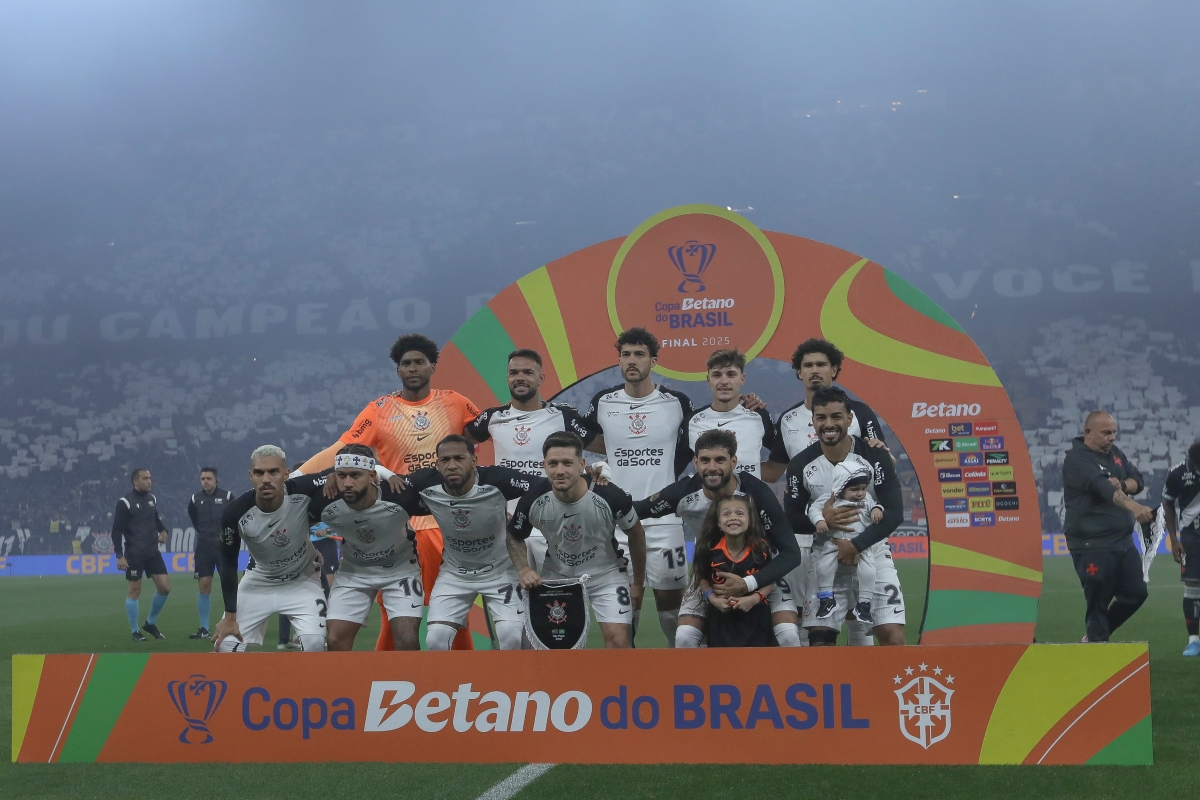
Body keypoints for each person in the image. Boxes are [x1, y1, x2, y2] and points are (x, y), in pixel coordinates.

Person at [294, 333, 479, 651]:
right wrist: (295, 478)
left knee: (454, 611)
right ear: (398, 370)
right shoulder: (379, 410)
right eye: (406, 363)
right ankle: (389, 679)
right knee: (393, 617)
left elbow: (491, 431)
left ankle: (462, 677)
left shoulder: (456, 402)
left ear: (432, 366)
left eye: (419, 362)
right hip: (400, 526)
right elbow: (340, 449)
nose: (412, 368)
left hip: (448, 522)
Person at [762, 337, 899, 647]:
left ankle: (860, 672)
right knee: (813, 620)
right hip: (812, 533)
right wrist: (733, 467)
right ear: (799, 372)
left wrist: (883, 457)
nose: (815, 370)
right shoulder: (789, 420)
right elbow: (775, 469)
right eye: (808, 365)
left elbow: (885, 461)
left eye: (821, 364)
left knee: (860, 618)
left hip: (859, 526)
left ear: (834, 369)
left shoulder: (860, 413)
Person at [637, 428, 802, 647]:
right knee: (684, 637)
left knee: (788, 635)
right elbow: (635, 510)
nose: (712, 467)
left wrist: (748, 583)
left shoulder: (757, 493)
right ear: (696, 462)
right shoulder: (684, 492)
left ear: (733, 462)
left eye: (720, 460)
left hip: (761, 574)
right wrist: (600, 484)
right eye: (705, 460)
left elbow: (791, 553)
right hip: (708, 574)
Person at [581, 327, 693, 646]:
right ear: (619, 360)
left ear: (653, 361)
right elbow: (583, 441)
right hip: (618, 523)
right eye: (626, 354)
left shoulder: (677, 402)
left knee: (672, 609)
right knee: (627, 605)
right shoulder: (604, 401)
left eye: (639, 354)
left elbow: (691, 443)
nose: (632, 360)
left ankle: (683, 667)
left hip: (665, 522)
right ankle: (625, 672)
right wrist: (599, 464)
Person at [784, 387, 904, 646]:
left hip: (872, 552)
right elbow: (791, 517)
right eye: (821, 417)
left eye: (836, 416)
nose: (828, 424)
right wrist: (822, 520)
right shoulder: (800, 464)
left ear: (849, 419)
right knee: (819, 643)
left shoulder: (875, 455)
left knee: (893, 638)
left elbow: (895, 512)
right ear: (813, 420)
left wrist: (856, 545)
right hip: (827, 554)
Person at [507, 431, 647, 649]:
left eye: (567, 463)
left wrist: (637, 584)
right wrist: (524, 569)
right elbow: (514, 536)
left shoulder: (609, 496)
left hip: (607, 576)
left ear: (581, 465)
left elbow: (636, 534)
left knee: (619, 642)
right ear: (544, 466)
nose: (560, 471)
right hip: (558, 578)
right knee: (559, 647)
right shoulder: (533, 499)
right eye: (553, 464)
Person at [465, 348, 592, 572]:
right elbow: (461, 441)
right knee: (512, 593)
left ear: (541, 378)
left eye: (528, 372)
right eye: (514, 373)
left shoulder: (562, 416)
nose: (520, 377)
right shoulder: (493, 417)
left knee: (556, 591)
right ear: (507, 378)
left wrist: (599, 468)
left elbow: (605, 444)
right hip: (506, 526)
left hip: (551, 524)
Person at [408, 435, 539, 651]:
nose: (452, 465)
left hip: (500, 572)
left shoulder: (496, 479)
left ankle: (508, 674)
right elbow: (391, 488)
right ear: (437, 464)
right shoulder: (425, 482)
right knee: (435, 640)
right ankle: (455, 676)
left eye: (459, 458)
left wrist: (518, 523)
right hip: (455, 574)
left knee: (510, 637)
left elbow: (539, 486)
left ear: (474, 461)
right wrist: (385, 473)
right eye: (445, 460)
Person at [213, 445, 329, 653]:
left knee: (314, 645)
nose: (266, 479)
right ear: (251, 476)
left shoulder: (301, 489)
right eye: (259, 473)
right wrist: (230, 616)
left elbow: (341, 471)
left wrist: (385, 474)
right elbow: (228, 563)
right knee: (225, 646)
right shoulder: (234, 513)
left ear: (286, 474)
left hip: (302, 580)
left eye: (273, 472)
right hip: (259, 581)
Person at [1060, 410, 1154, 643]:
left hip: (1122, 541)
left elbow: (1137, 480)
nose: (1112, 437)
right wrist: (1134, 507)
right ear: (1088, 433)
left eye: (1113, 432)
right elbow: (1103, 488)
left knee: (1136, 593)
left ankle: (1096, 635)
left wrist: (1122, 484)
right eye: (1106, 433)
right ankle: (1097, 644)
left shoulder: (1115, 454)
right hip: (1092, 544)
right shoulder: (1077, 460)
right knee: (1098, 601)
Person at [691, 494, 779, 647]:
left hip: (756, 616)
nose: (733, 517)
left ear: (749, 520)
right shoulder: (709, 550)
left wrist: (753, 599)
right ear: (718, 522)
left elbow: (770, 579)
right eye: (726, 514)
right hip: (721, 618)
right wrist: (713, 599)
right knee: (722, 660)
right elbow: (702, 577)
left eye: (740, 513)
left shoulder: (761, 549)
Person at [687, 349, 776, 479]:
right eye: (717, 375)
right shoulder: (692, 421)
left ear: (742, 379)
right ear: (709, 380)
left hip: (749, 493)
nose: (724, 381)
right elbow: (674, 464)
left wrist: (752, 478)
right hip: (706, 493)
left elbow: (782, 458)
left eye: (731, 374)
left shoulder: (759, 416)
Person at [810, 462, 881, 624]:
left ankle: (864, 604)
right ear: (840, 487)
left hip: (861, 545)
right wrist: (819, 520)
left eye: (863, 488)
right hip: (834, 543)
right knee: (823, 568)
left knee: (869, 571)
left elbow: (875, 506)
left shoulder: (867, 499)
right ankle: (827, 599)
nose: (860, 493)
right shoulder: (830, 499)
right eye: (854, 489)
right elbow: (813, 509)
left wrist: (877, 510)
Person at [112, 468, 170, 642]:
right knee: (134, 591)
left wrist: (163, 530)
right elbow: (116, 530)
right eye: (145, 478)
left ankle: (150, 623)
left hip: (153, 552)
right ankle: (135, 631)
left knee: (165, 588)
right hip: (134, 553)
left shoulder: (152, 499)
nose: (149, 481)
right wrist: (119, 555)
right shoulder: (125, 502)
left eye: (150, 478)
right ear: (135, 481)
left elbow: (155, 519)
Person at [187, 467, 233, 640]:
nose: (205, 481)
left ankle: (232, 623)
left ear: (216, 480)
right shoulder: (195, 499)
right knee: (204, 586)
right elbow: (194, 519)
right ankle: (204, 628)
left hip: (223, 548)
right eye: (203, 479)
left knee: (228, 586)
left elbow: (235, 517)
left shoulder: (228, 497)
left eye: (208, 478)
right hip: (203, 549)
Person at [1163, 440, 1200, 656]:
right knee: (1193, 585)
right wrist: (1173, 539)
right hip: (1191, 538)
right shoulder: (1177, 473)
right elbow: (1167, 503)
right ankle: (1194, 641)